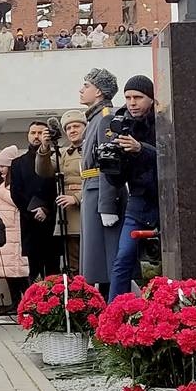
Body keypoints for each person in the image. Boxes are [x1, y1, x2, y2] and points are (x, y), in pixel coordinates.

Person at [107, 76, 160, 295]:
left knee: (167, 260)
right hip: (137, 201)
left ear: (151, 99)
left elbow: (171, 159)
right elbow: (117, 181)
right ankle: (113, 315)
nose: (132, 103)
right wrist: (111, 163)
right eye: (128, 97)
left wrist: (141, 149)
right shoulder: (122, 125)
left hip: (163, 200)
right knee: (123, 259)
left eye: (138, 97)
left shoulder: (164, 122)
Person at [78, 68, 124, 295]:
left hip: (100, 192)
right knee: (97, 260)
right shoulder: (95, 118)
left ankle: (112, 305)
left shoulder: (106, 117)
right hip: (92, 189)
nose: (81, 90)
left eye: (86, 86)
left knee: (106, 258)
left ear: (98, 92)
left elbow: (108, 163)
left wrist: (108, 205)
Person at [36, 110, 87, 275]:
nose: (72, 130)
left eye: (76, 126)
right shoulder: (63, 153)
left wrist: (77, 198)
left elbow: (100, 180)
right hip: (68, 217)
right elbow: (44, 171)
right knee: (72, 264)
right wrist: (44, 147)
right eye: (68, 127)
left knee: (89, 261)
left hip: (87, 211)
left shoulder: (92, 149)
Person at [9, 121, 60, 279]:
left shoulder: (56, 159)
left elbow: (58, 189)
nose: (36, 136)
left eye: (40, 133)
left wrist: (46, 210)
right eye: (33, 132)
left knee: (54, 270)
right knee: (34, 270)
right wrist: (32, 211)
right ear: (28, 135)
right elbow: (16, 193)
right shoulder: (17, 163)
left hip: (53, 221)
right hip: (30, 223)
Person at [0, 148, 31, 306]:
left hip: (15, 233)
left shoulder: (15, 184)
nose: (0, 170)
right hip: (2, 234)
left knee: (19, 272)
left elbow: (17, 201)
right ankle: (15, 302)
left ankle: (27, 303)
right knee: (8, 271)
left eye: (3, 166)